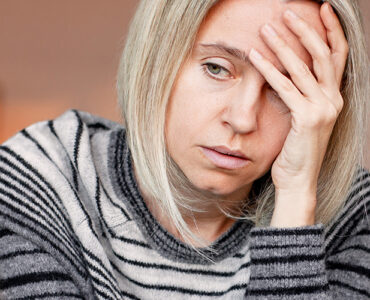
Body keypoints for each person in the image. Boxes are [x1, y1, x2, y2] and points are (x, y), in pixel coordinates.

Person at [0, 0, 369, 299]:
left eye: (286, 87)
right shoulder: (38, 183)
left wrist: (295, 200)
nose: (243, 119)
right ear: (156, 58)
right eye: (216, 68)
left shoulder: (356, 217)